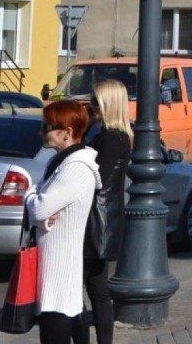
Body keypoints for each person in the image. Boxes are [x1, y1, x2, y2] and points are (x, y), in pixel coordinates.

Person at [25, 99, 101, 344]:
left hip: (60, 272)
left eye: (46, 127)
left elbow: (38, 209)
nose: (40, 133)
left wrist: (34, 202)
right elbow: (36, 198)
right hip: (51, 269)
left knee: (56, 330)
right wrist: (35, 201)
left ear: (67, 132)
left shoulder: (76, 168)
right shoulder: (57, 163)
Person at [74, 80, 133, 344]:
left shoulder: (110, 138)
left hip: (97, 222)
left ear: (107, 104)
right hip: (101, 220)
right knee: (95, 288)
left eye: (94, 102)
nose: (90, 105)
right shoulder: (113, 135)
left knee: (92, 290)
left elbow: (97, 179)